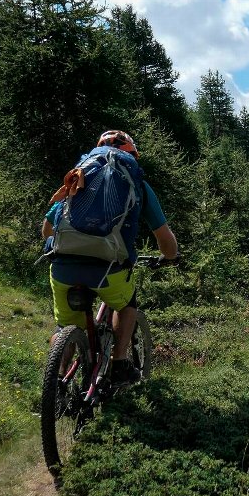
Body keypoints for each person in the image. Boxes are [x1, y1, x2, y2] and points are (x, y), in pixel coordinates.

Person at [41, 129, 179, 385]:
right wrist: (170, 257)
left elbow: (47, 229)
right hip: (108, 270)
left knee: (64, 328)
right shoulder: (137, 184)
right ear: (132, 156)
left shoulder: (80, 174)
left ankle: (57, 384)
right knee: (127, 305)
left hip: (63, 267)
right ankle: (118, 363)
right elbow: (164, 238)